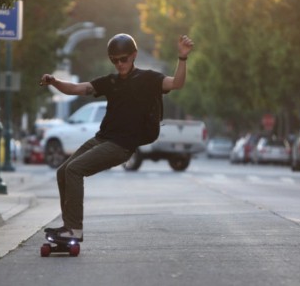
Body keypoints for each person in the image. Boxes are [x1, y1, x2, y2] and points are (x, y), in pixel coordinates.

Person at [39, 33, 194, 241]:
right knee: (62, 172)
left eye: (124, 59)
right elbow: (78, 88)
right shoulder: (110, 81)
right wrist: (55, 82)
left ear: (134, 55)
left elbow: (177, 83)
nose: (119, 64)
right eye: (115, 60)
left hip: (121, 145)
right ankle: (68, 225)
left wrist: (182, 58)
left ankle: (74, 229)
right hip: (101, 138)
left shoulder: (149, 79)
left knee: (75, 170)